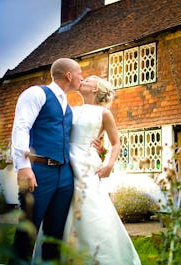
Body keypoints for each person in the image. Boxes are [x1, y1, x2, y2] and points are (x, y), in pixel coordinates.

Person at [10, 58, 83, 264]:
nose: (81, 77)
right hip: (39, 171)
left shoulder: (68, 107)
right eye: (79, 73)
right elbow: (21, 127)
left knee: (55, 234)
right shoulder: (37, 93)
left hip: (65, 175)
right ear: (68, 75)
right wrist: (23, 166)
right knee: (28, 230)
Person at [63, 75, 141, 265]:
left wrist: (109, 165)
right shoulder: (70, 110)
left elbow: (116, 143)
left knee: (91, 209)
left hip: (87, 166)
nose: (83, 80)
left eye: (88, 80)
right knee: (64, 210)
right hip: (65, 162)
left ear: (96, 89)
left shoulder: (103, 113)